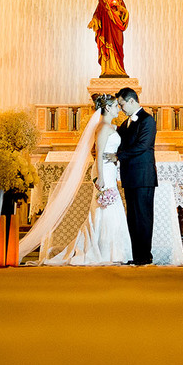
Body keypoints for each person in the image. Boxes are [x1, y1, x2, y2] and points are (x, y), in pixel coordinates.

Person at [42, 95, 132, 266]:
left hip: (110, 169)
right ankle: (102, 250)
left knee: (111, 208)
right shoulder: (103, 128)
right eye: (115, 106)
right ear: (107, 108)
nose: (118, 109)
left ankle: (114, 251)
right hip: (103, 170)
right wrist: (101, 177)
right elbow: (99, 153)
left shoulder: (110, 127)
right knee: (103, 208)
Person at [115, 87, 156, 265]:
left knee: (143, 217)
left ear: (132, 101)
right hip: (130, 176)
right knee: (132, 218)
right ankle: (137, 255)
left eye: (122, 104)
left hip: (143, 177)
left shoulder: (148, 120)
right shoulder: (126, 123)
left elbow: (143, 146)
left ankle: (145, 256)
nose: (121, 108)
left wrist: (118, 156)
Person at [88, 0, 128, 77]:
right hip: (106, 28)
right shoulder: (103, 1)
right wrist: (94, 20)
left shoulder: (119, 0)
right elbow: (97, 13)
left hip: (117, 27)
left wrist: (119, 8)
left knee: (118, 46)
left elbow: (125, 13)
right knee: (107, 46)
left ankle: (119, 70)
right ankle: (107, 70)